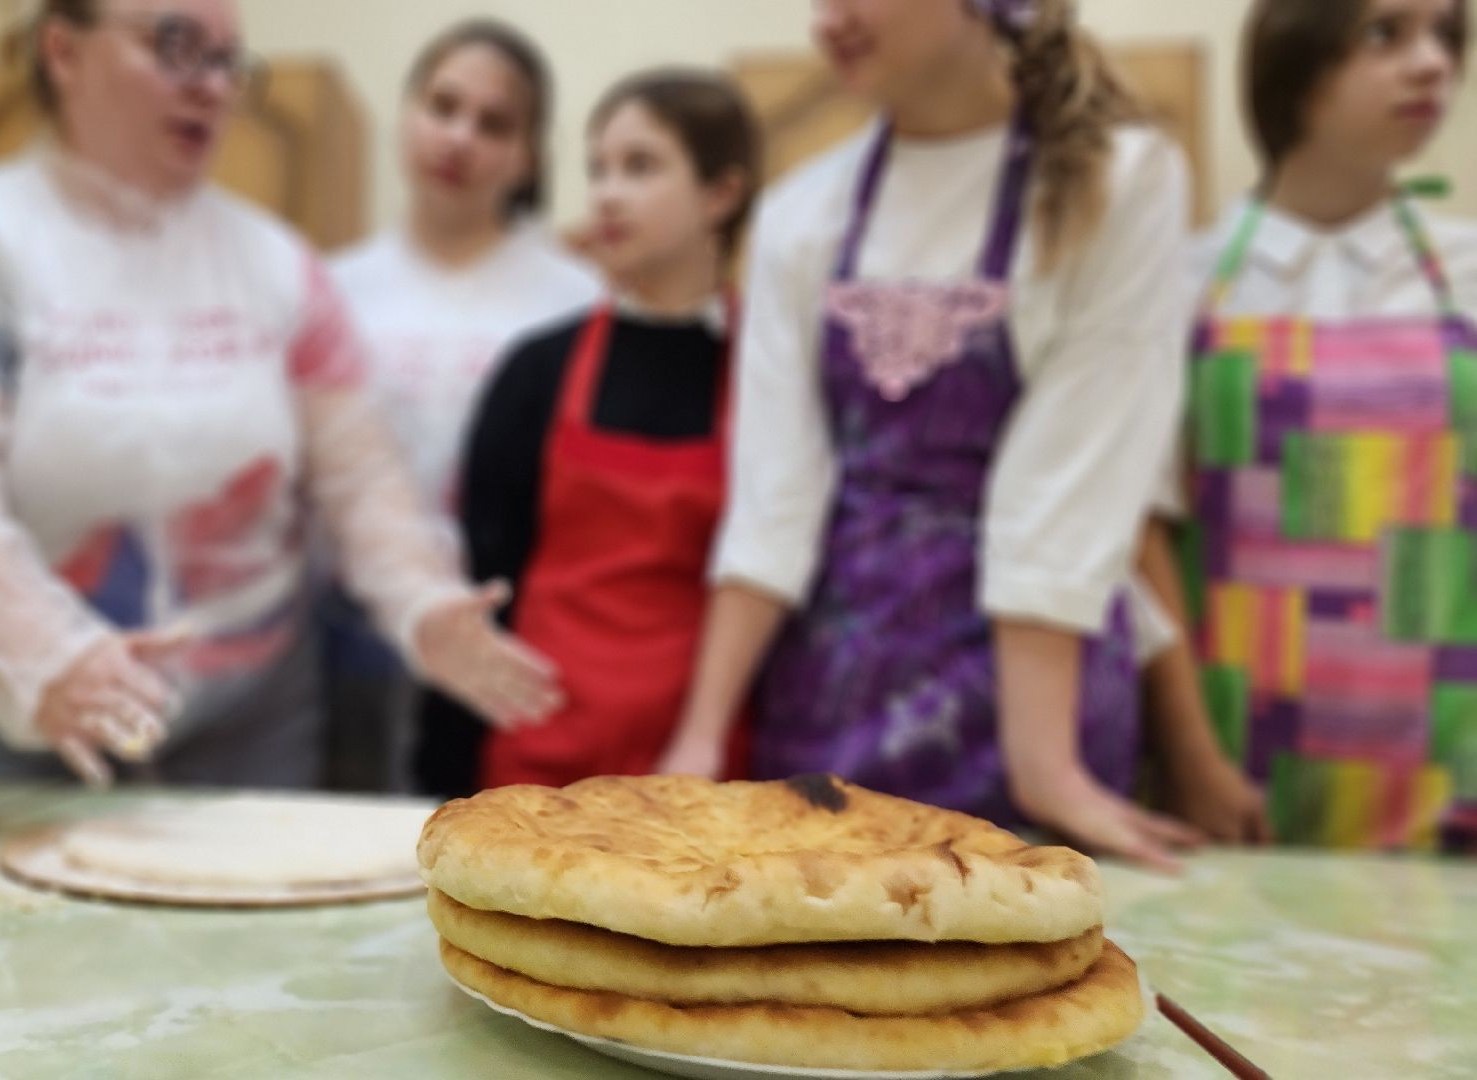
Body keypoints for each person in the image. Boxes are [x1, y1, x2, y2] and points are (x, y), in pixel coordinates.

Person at [0, 0, 560, 788]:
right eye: (175, 46)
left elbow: (362, 476)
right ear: (63, 52)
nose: (211, 86)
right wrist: (46, 658)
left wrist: (421, 598)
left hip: (247, 733)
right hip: (10, 729)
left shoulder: (280, 265)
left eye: (227, 62)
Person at [665, 0, 1207, 870]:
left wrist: (1045, 765)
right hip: (832, 696)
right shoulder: (800, 214)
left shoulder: (1121, 179)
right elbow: (776, 492)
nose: (825, 21)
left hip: (1034, 700)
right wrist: (697, 741)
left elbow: (1069, 482)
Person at [1152, 0, 1473, 851]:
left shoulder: (1470, 277)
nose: (1433, 63)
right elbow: (1143, 532)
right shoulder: (1180, 282)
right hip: (1238, 760)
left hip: (1448, 759)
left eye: (1446, 35)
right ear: (1295, 59)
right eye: (1386, 33)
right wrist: (1192, 758)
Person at [415, 69, 758, 796]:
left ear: (721, 193)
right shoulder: (536, 371)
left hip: (698, 764)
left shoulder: (770, 378)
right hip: (539, 755)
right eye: (598, 168)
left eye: (640, 167)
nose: (605, 192)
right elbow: (483, 581)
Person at [323, 19, 600, 792]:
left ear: (527, 155)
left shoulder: (572, 298)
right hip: (352, 632)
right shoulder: (332, 289)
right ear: (406, 114)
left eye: (493, 123)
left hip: (513, 634)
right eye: (442, 106)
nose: (459, 138)